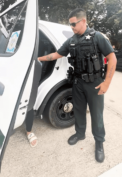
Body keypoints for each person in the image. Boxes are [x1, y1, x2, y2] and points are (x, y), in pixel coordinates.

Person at [38, 8, 117, 163]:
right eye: (70, 24)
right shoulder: (71, 41)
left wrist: (106, 83)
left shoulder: (97, 37)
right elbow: (57, 54)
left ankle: (99, 142)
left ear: (83, 21)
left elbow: (112, 58)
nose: (72, 27)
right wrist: (38, 58)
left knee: (96, 115)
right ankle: (80, 134)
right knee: (79, 111)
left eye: (74, 24)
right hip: (78, 82)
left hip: (95, 83)